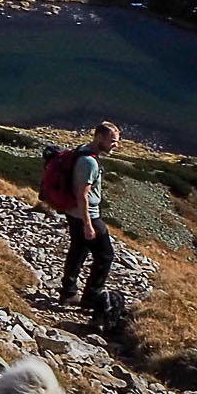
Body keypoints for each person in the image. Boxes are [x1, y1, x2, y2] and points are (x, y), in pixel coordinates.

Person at [59, 121, 120, 309]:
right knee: (105, 255)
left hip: (73, 213)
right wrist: (88, 224)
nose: (115, 145)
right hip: (86, 215)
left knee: (79, 250)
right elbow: (82, 195)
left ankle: (69, 293)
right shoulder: (89, 162)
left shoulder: (83, 150)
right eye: (112, 141)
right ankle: (91, 296)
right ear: (99, 137)